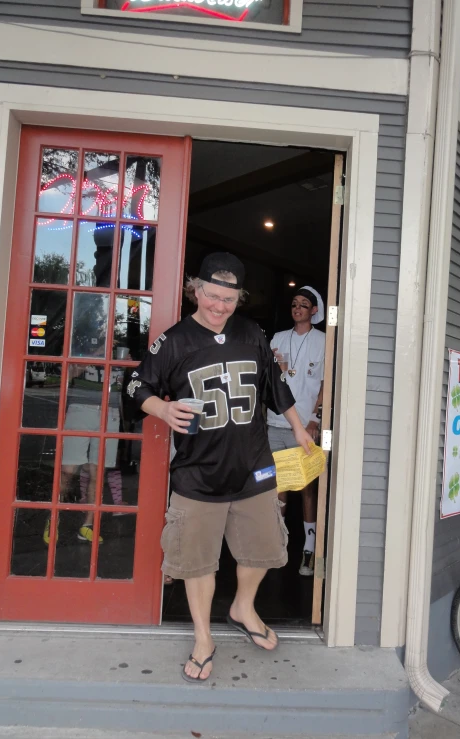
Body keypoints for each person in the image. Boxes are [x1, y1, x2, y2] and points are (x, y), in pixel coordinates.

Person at [127, 252, 312, 683]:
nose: (219, 306)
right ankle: (204, 636)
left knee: (266, 547)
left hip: (255, 467)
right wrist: (163, 410)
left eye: (229, 299)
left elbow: (275, 383)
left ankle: (243, 606)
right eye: (212, 295)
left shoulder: (251, 332)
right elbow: (137, 385)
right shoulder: (173, 341)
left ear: (238, 299)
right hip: (197, 472)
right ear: (196, 289)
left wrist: (299, 429)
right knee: (196, 561)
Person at [267, 287, 325, 577]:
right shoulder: (278, 338)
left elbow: (326, 384)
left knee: (306, 487)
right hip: (275, 422)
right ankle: (277, 546)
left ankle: (310, 549)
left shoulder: (324, 342)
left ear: (314, 310)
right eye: (294, 304)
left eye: (304, 304)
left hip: (304, 425)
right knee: (278, 486)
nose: (298, 308)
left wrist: (316, 419)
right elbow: (268, 378)